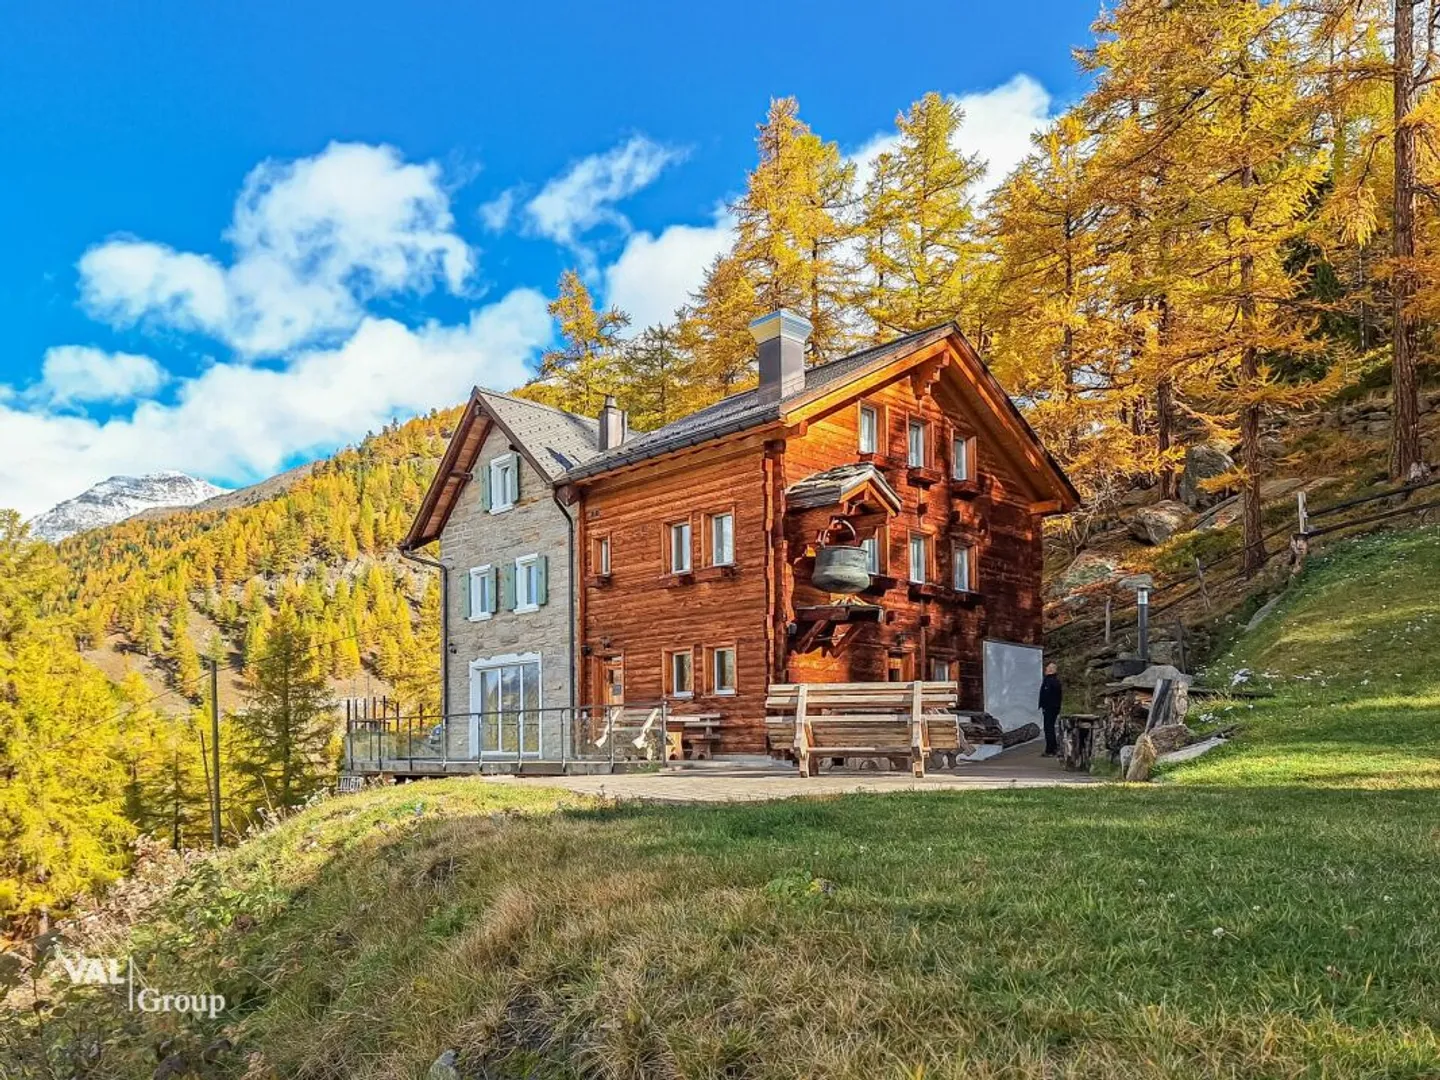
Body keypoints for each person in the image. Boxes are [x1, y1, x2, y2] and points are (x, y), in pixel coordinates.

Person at [1039, 662, 1063, 758]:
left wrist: (1044, 706)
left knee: (1048, 728)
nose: (1045, 670)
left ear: (1051, 670)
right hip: (1054, 707)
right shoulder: (1056, 681)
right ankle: (1053, 748)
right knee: (1050, 728)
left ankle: (1050, 749)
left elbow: (1047, 695)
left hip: (1049, 708)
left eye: (1047, 668)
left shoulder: (1050, 681)